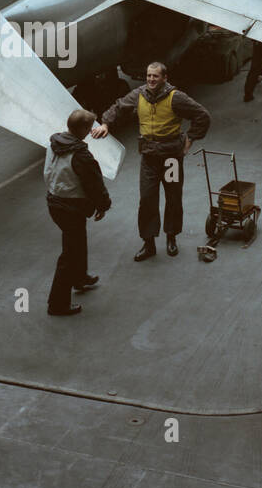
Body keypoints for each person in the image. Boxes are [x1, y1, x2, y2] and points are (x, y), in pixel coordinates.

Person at [92, 62, 210, 261]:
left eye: (155, 76)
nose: (151, 80)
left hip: (171, 157)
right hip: (149, 157)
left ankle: (171, 237)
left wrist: (190, 139)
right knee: (147, 199)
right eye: (148, 76)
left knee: (173, 197)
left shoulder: (176, 97)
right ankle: (149, 243)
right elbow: (119, 106)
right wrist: (105, 123)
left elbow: (202, 115)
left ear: (164, 78)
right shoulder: (139, 94)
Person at [43, 109, 112, 317]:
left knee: (78, 240)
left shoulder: (54, 144)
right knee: (70, 253)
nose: (91, 130)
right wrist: (103, 205)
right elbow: (94, 184)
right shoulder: (81, 155)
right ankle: (57, 304)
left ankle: (80, 278)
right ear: (81, 129)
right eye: (89, 127)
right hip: (71, 206)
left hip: (54, 201)